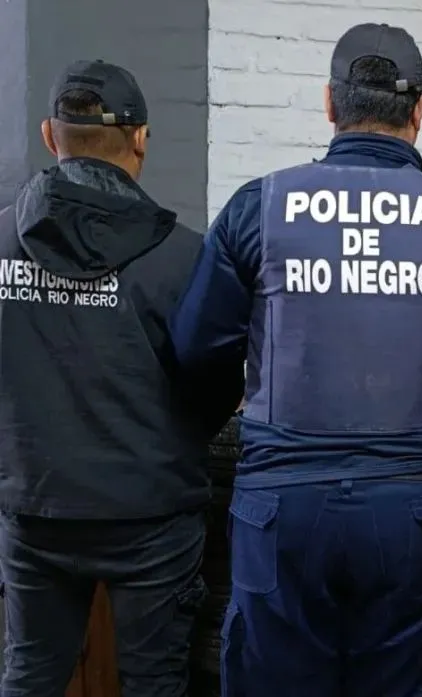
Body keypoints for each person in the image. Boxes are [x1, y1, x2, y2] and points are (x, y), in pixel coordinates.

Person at [168, 23, 422, 697]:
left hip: (284, 509)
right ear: (420, 110)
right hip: (418, 515)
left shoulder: (258, 208)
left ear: (329, 103)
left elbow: (195, 352)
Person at [0, 60, 243, 697]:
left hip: (34, 505)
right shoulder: (187, 255)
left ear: (52, 137)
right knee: (155, 683)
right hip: (151, 512)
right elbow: (219, 381)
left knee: (28, 675)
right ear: (140, 138)